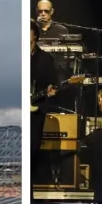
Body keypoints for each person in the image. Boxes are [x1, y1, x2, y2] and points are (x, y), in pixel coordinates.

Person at [31, 19, 60, 187]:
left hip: (36, 110)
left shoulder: (46, 59)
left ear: (35, 34)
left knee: (33, 151)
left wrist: (51, 90)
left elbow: (52, 83)